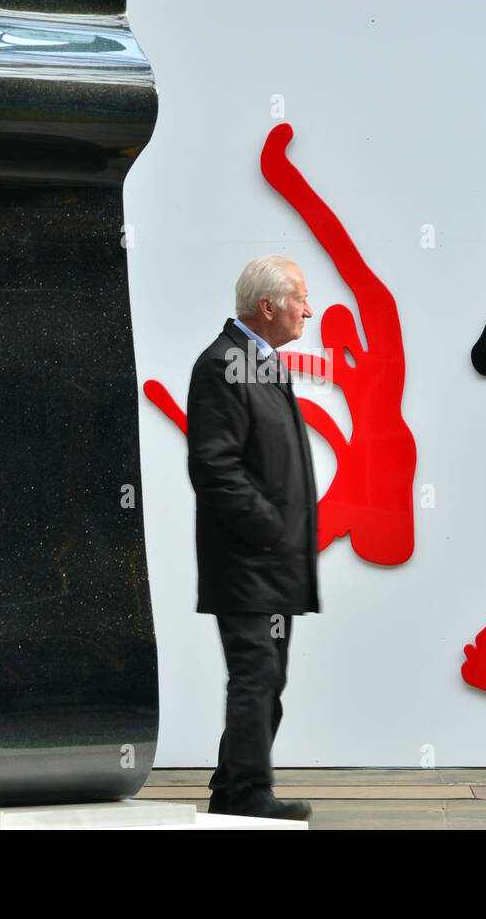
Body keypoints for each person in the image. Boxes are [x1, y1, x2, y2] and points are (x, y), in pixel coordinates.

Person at [186, 254, 318, 821]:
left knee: (267, 678)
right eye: (300, 299)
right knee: (256, 677)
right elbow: (214, 467)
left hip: (272, 561)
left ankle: (230, 787)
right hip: (248, 562)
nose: (309, 310)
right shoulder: (222, 365)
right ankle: (249, 796)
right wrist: (269, 530)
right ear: (267, 307)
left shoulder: (258, 362)